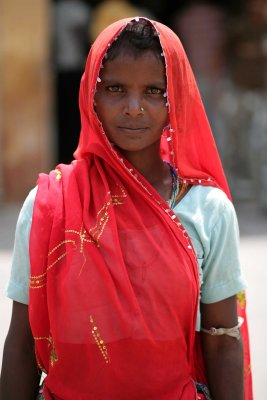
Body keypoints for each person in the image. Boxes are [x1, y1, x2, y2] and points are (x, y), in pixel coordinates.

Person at [0, 17, 253, 400]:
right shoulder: (49, 204)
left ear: (176, 100)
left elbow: (221, 340)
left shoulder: (206, 210)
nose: (134, 108)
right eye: (115, 88)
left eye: (154, 91)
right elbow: (22, 342)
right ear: (91, 95)